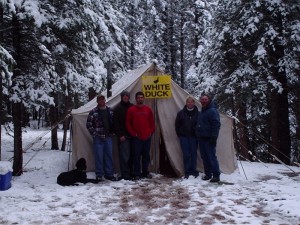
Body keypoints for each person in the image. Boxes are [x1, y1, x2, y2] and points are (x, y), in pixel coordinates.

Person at [86, 94, 117, 182]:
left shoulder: (110, 110)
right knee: (98, 156)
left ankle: (109, 174)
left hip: (108, 137)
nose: (101, 101)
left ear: (105, 100)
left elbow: (114, 122)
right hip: (98, 138)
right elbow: (88, 124)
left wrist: (113, 132)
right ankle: (99, 174)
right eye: (99, 100)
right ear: (97, 101)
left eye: (102, 100)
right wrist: (95, 134)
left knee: (109, 156)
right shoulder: (93, 111)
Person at [126, 91, 155, 180]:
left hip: (147, 137)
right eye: (138, 97)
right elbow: (128, 123)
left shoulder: (148, 109)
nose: (140, 99)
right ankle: (137, 173)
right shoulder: (131, 110)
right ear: (136, 99)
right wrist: (133, 134)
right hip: (136, 137)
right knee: (136, 156)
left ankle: (145, 172)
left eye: (141, 97)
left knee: (146, 156)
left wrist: (150, 132)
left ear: (144, 98)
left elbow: (152, 122)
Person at [196, 94, 221, 183]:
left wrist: (214, 137)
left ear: (209, 100)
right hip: (202, 138)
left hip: (209, 139)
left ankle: (216, 175)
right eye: (202, 99)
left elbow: (216, 125)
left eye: (205, 99)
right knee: (205, 157)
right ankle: (208, 174)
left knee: (211, 157)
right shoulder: (203, 111)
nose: (204, 101)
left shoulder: (212, 111)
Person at [175, 96, 199, 179]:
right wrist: (180, 134)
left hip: (194, 137)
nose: (190, 103)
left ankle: (193, 170)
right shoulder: (181, 113)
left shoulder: (198, 113)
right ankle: (187, 171)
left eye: (191, 102)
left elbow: (200, 125)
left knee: (193, 154)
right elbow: (177, 125)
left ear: (194, 103)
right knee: (186, 154)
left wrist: (197, 133)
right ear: (186, 103)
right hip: (184, 137)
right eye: (188, 102)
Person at [113, 90, 133, 180]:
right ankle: (125, 174)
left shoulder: (132, 107)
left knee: (133, 155)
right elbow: (115, 124)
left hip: (133, 135)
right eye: (124, 95)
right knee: (125, 156)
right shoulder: (117, 108)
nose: (125, 97)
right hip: (124, 136)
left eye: (127, 95)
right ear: (121, 97)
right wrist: (120, 135)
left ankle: (132, 173)